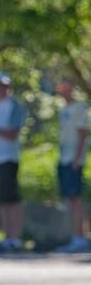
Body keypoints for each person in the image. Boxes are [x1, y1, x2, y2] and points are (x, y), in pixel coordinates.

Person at [0, 73, 25, 251]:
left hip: (9, 157)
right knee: (2, 200)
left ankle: (15, 236)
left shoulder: (15, 105)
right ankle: (7, 236)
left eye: (4, 85)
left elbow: (12, 134)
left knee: (12, 199)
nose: (1, 89)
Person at [54, 79, 89, 252]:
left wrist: (76, 159)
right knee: (69, 199)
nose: (63, 90)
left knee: (76, 199)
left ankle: (79, 237)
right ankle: (75, 236)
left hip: (74, 160)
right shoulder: (63, 109)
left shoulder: (80, 107)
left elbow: (83, 134)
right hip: (64, 159)